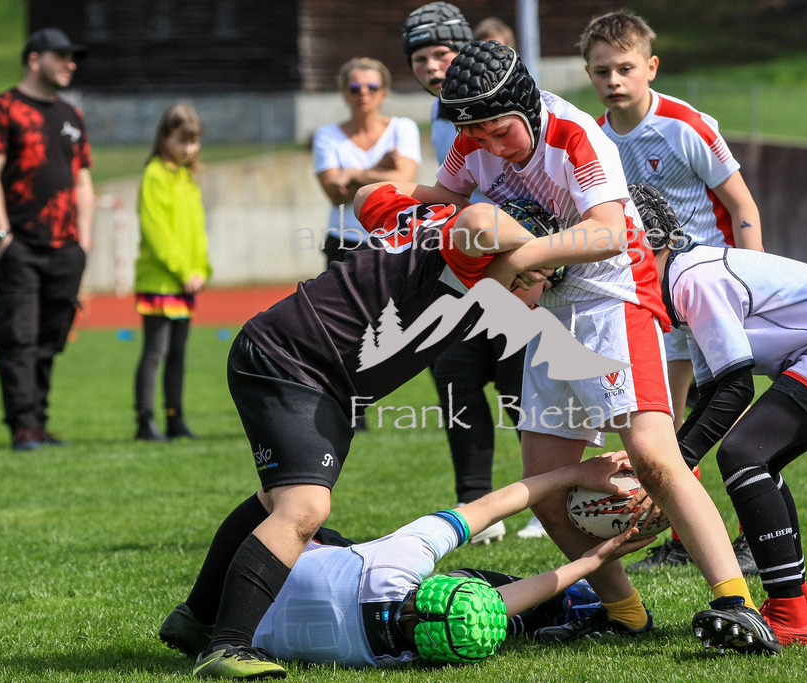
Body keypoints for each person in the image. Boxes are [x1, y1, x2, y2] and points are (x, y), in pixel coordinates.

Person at [163, 180, 595, 679]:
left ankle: (195, 618)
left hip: (311, 367)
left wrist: (431, 202)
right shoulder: (472, 252)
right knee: (305, 509)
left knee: (275, 502)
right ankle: (227, 648)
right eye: (545, 279)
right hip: (300, 362)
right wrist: (530, 249)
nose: (541, 297)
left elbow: (369, 196)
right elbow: (478, 222)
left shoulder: (431, 224)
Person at [429, 40, 779, 654]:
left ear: (526, 106)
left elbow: (610, 231)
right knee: (543, 486)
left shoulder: (574, 132)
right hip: (547, 314)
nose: (489, 145)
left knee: (653, 456)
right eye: (476, 134)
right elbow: (449, 201)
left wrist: (517, 259)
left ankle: (736, 603)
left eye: (500, 131)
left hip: (613, 301)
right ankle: (624, 611)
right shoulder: (473, 137)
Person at [631, 182, 807, 646]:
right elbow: (713, 387)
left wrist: (677, 462)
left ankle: (794, 616)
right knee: (754, 457)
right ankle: (797, 603)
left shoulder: (694, 280)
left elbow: (736, 387)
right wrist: (674, 459)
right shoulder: (684, 279)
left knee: (743, 454)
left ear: (649, 242)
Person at [580, 9, 764, 572]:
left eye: (625, 67)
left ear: (651, 67)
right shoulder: (597, 140)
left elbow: (741, 205)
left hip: (710, 298)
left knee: (730, 424)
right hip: (654, 304)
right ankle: (685, 539)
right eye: (601, 70)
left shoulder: (685, 125)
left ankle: (755, 538)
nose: (613, 80)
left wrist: (750, 288)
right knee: (666, 430)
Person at [251, 452, 653, 668]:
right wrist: (591, 559)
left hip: (263, 570)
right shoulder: (383, 658)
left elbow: (493, 506)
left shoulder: (393, 563)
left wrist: (573, 473)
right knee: (483, 607)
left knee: (284, 506)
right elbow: (495, 602)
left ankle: (560, 605)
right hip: (254, 605)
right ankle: (565, 606)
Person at [402, 3, 527, 544]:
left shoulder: (505, 100)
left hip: (517, 263)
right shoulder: (439, 114)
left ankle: (544, 498)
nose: (432, 67)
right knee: (456, 382)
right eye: (421, 58)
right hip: (462, 264)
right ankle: (475, 506)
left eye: (442, 54)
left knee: (526, 387)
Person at [0, 28, 94, 451]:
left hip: (67, 250)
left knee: (48, 340)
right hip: (20, 246)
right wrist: (1, 234)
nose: (70, 64)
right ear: (34, 59)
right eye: (61, 56)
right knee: (17, 338)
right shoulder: (3, 109)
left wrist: (85, 243)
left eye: (72, 57)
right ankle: (22, 426)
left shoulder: (71, 117)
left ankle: (38, 423)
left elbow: (83, 182)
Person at [132, 104, 212, 441]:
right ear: (165, 138)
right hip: (161, 280)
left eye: (193, 142)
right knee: (155, 351)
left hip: (185, 282)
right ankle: (145, 420)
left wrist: (201, 269)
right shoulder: (155, 175)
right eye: (182, 141)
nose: (188, 149)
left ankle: (174, 416)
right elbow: (157, 231)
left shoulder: (187, 177)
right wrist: (182, 270)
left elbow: (196, 231)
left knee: (178, 351)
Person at [313, 57, 421, 267]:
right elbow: (336, 195)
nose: (363, 93)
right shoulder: (326, 135)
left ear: (384, 92)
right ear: (344, 92)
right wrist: (380, 168)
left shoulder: (403, 128)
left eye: (372, 87)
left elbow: (402, 182)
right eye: (355, 88)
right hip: (344, 241)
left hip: (395, 239)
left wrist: (352, 173)